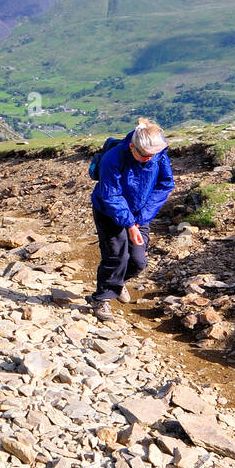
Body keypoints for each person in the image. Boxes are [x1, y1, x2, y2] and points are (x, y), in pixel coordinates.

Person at [89, 118, 174, 319]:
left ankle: (117, 283)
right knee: (116, 256)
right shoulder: (113, 159)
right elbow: (111, 196)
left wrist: (140, 219)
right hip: (109, 212)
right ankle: (101, 300)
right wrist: (129, 224)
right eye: (145, 156)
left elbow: (165, 184)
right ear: (131, 146)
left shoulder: (157, 155)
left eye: (152, 155)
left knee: (138, 261)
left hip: (139, 214)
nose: (149, 159)